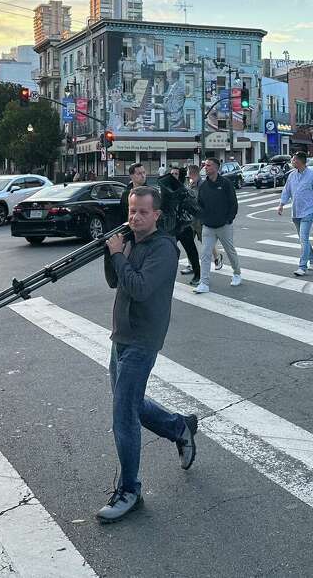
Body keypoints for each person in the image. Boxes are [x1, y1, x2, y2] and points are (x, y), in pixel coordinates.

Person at [98, 185, 198, 523]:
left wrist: (117, 256)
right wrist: (112, 253)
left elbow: (139, 288)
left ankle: (129, 490)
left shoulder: (164, 250)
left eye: (142, 212)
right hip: (121, 335)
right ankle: (179, 427)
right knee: (132, 404)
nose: (135, 217)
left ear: (156, 214)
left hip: (143, 339)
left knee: (123, 414)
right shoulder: (131, 242)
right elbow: (116, 282)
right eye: (131, 211)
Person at [195, 157, 242, 292]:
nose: (206, 167)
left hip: (224, 225)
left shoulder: (226, 183)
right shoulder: (203, 185)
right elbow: (200, 205)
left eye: (209, 165)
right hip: (208, 226)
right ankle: (204, 283)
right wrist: (202, 218)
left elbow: (233, 203)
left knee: (230, 251)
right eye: (205, 165)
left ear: (216, 168)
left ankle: (237, 273)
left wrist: (229, 219)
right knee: (205, 254)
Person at [278, 151, 313, 276]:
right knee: (302, 239)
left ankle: (302, 266)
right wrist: (281, 205)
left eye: (294, 160)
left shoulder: (312, 176)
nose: (292, 162)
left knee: (303, 238)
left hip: (308, 211)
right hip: (296, 212)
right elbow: (286, 190)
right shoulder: (292, 175)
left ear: (300, 161)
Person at [159, 166, 201, 287]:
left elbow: (193, 207)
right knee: (166, 251)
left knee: (191, 250)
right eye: (172, 173)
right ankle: (163, 276)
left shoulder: (184, 190)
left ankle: (197, 274)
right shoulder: (164, 189)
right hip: (170, 226)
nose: (174, 175)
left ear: (180, 176)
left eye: (176, 173)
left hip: (183, 225)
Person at [183, 163, 221, 279]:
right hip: (191, 219)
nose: (188, 176)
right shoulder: (190, 183)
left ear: (193, 173)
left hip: (200, 219)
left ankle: (217, 257)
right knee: (189, 242)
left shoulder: (203, 184)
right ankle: (190, 264)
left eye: (189, 173)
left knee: (205, 241)